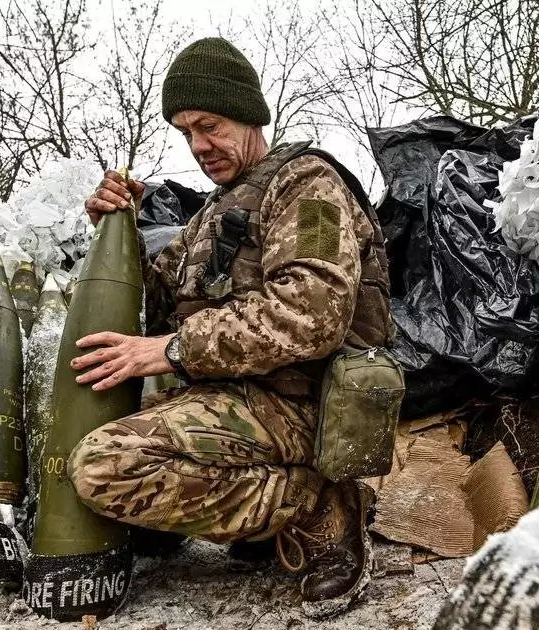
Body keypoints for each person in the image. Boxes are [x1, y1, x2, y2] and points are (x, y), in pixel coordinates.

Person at [73, 37, 395, 618]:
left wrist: (172, 351)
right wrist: (113, 230)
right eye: (185, 132)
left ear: (249, 115)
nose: (199, 145)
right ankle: (263, 519)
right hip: (235, 399)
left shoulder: (308, 186)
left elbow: (312, 311)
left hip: (303, 402)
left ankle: (315, 505)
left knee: (105, 467)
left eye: (210, 125)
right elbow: (154, 305)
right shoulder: (212, 215)